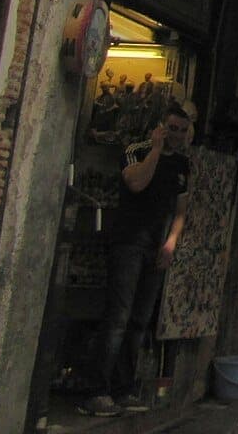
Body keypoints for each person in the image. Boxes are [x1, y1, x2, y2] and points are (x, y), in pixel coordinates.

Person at [79, 100, 194, 417]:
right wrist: (156, 150)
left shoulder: (182, 166)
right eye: (172, 129)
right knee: (117, 318)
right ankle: (96, 391)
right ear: (160, 127)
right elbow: (136, 182)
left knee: (139, 322)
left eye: (182, 131)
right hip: (129, 243)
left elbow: (181, 211)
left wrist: (171, 243)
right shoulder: (136, 151)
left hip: (156, 249)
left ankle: (124, 388)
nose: (177, 136)